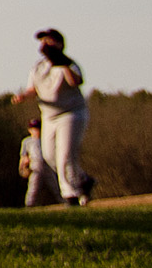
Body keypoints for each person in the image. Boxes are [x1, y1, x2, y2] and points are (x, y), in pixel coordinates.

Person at [10, 27, 91, 207]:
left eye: (48, 40)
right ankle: (83, 180)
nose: (44, 44)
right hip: (49, 116)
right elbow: (34, 88)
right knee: (49, 155)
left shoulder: (68, 63)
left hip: (71, 114)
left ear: (59, 44)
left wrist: (60, 62)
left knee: (64, 157)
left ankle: (70, 196)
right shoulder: (38, 67)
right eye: (42, 41)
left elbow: (75, 82)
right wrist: (23, 96)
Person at [17, 121, 56, 208]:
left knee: (55, 185)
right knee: (33, 187)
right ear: (29, 130)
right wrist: (21, 167)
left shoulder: (45, 140)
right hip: (35, 165)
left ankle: (66, 202)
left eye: (37, 128)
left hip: (47, 164)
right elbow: (23, 156)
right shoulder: (27, 141)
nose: (36, 131)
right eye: (33, 129)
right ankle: (29, 206)